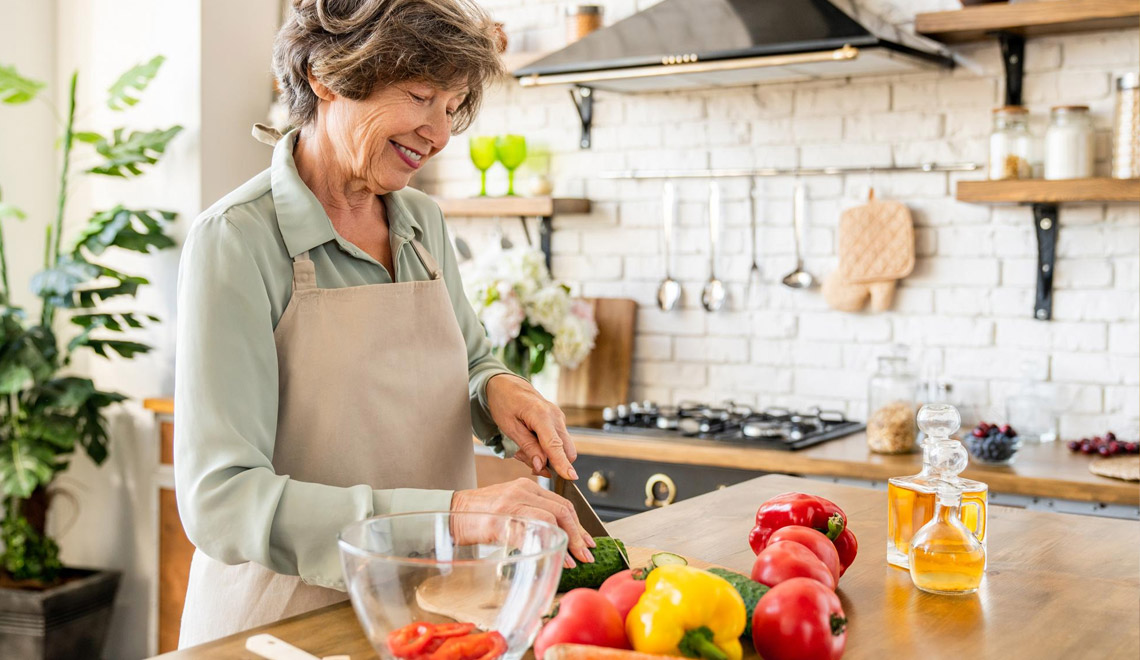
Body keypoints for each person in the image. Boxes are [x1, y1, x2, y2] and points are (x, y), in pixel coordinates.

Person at [173, 0, 593, 646]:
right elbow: (221, 501)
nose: (440, 133)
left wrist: (498, 389)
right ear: (326, 77)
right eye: (421, 96)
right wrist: (453, 514)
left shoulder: (421, 222)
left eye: (452, 106)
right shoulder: (236, 239)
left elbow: (470, 360)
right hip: (283, 626)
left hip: (429, 612)